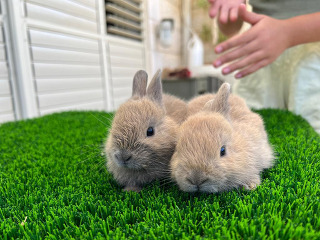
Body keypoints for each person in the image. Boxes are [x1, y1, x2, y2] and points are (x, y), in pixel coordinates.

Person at [208, 0, 320, 133]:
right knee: (249, 137)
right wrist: (230, 9)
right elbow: (229, 27)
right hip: (259, 55)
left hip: (313, 57)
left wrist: (287, 33)